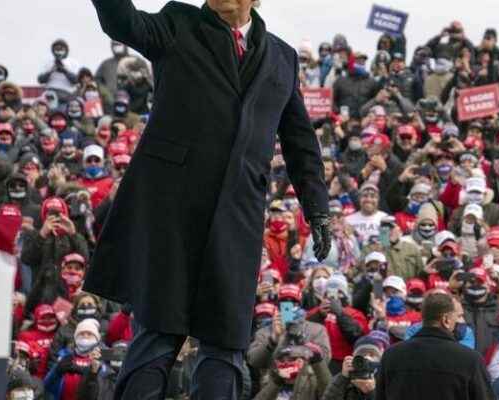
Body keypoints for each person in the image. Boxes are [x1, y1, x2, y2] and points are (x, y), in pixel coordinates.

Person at [85, 1, 333, 399]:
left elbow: (300, 141)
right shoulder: (178, 23)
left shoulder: (282, 57)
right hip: (171, 213)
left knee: (225, 340)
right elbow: (121, 21)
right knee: (158, 333)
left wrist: (318, 209)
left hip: (238, 219)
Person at [376, 292, 494, 400]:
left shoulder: (391, 356)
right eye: (457, 316)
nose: (461, 322)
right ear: (446, 319)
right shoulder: (470, 360)